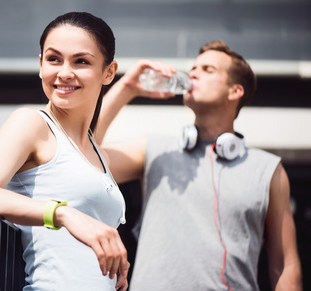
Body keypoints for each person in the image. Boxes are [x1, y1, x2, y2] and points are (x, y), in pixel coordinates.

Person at [95, 40, 302, 290]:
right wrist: (126, 87)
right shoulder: (154, 150)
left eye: (208, 69)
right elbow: (82, 154)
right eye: (194, 68)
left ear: (235, 91)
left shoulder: (268, 169)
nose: (193, 73)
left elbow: (284, 265)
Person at [0, 12, 130, 291]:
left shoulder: (97, 153)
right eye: (54, 59)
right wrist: (65, 214)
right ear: (40, 64)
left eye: (81, 61)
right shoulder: (32, 123)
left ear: (108, 72)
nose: (64, 72)